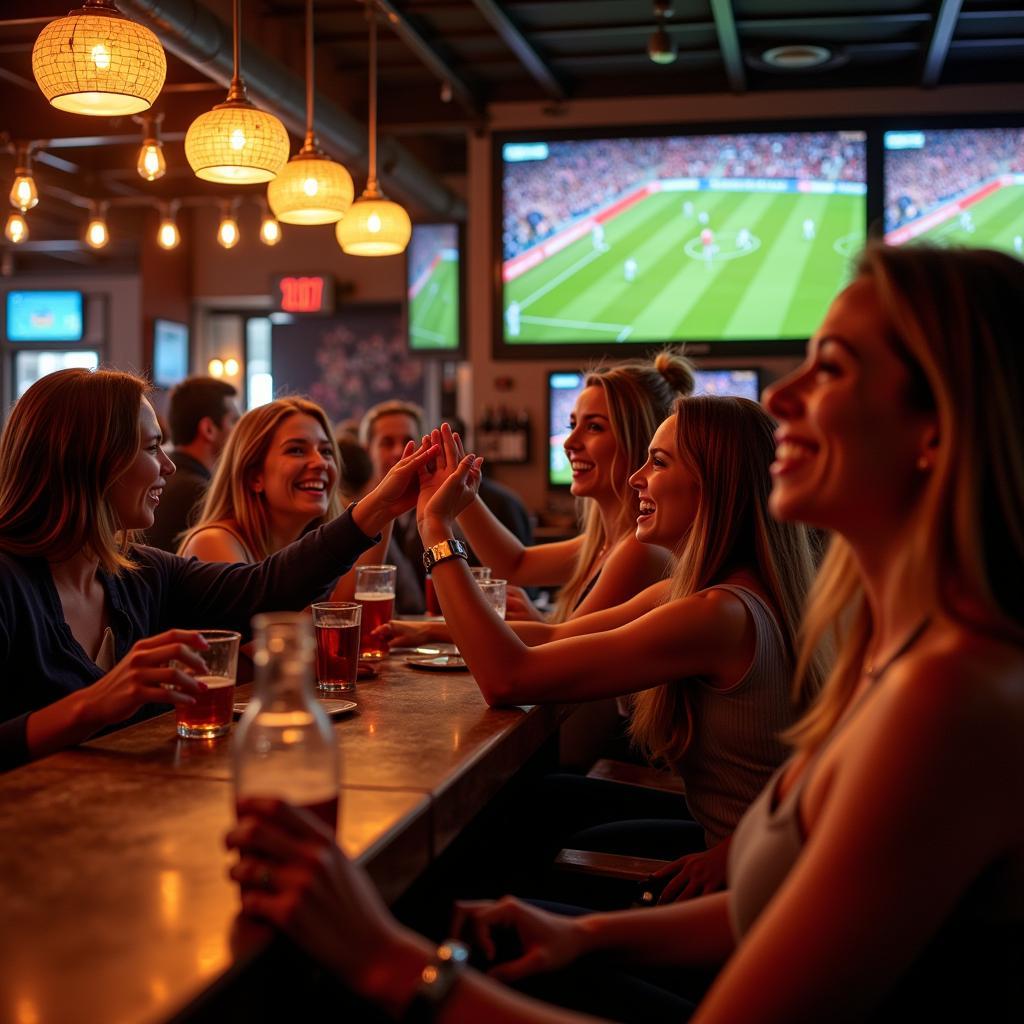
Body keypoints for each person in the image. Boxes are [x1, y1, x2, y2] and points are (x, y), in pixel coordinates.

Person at [229, 245, 1024, 1021]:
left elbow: (520, 666)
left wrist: (384, 959)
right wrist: (584, 936)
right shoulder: (897, 648)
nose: (782, 398)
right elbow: (781, 900)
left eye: (834, 367)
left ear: (937, 429)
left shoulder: (946, 698)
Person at [0, 369, 437, 771]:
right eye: (153, 448)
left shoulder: (140, 574)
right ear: (92, 459)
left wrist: (380, 505)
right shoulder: (8, 582)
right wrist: (95, 704)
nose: (169, 466)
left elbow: (264, 589)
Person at [438, 352, 695, 627]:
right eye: (572, 425)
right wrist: (460, 489)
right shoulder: (602, 544)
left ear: (643, 442)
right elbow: (514, 564)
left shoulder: (639, 550)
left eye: (594, 427)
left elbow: (554, 650)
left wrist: (435, 527)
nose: (569, 442)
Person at [178, 397, 345, 564]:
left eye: (326, 451)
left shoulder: (308, 552)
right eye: (296, 450)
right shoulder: (213, 542)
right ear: (254, 476)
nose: (321, 462)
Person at [144, 376, 240, 552]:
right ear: (208, 429)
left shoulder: (168, 479)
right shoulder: (197, 492)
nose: (240, 431)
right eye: (234, 421)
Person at [360, 400, 429, 614]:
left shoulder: (444, 512)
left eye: (408, 441)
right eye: (387, 442)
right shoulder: (353, 518)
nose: (399, 451)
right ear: (367, 450)